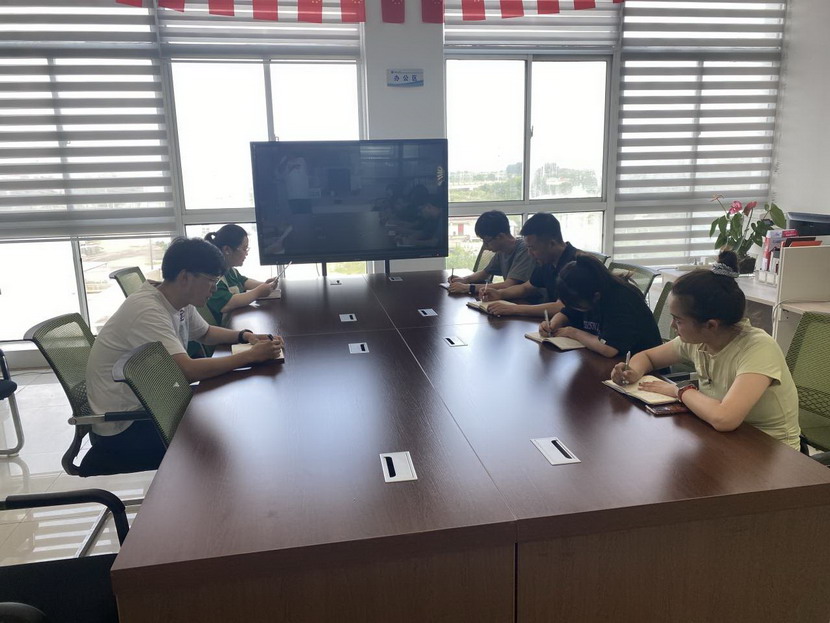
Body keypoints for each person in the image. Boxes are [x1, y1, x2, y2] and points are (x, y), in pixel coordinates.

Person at [85, 237, 284, 471]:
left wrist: (246, 336)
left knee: (236, 418)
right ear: (185, 277)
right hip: (127, 426)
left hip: (155, 402)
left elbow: (206, 333)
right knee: (230, 441)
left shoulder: (177, 299)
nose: (214, 289)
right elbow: (186, 371)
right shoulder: (147, 310)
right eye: (211, 281)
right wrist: (250, 356)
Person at [610, 250, 800, 449]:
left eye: (678, 320)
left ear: (710, 325)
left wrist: (679, 391)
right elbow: (648, 357)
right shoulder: (699, 340)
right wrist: (633, 371)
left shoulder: (758, 349)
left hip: (772, 452)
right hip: (725, 442)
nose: (672, 326)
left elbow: (725, 418)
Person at [538, 254, 662, 357]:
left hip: (642, 369)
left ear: (596, 296)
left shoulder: (621, 300)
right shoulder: (586, 289)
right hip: (607, 363)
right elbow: (568, 312)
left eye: (576, 304)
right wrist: (552, 324)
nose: (574, 307)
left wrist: (572, 332)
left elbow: (609, 349)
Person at [479, 212, 580, 318]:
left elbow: (561, 307)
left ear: (552, 243)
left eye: (533, 248)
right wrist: (500, 294)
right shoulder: (547, 262)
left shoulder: (576, 265)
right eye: (528, 248)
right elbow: (526, 288)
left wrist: (513, 309)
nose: (529, 253)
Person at [204, 224, 279, 326]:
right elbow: (228, 304)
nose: (246, 253)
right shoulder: (214, 278)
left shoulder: (231, 271)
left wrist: (265, 285)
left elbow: (244, 282)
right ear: (227, 250)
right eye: (244, 249)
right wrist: (258, 292)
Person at [447, 210, 535, 296]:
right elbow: (485, 273)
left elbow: (508, 285)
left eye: (487, 242)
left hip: (528, 301)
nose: (485, 247)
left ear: (500, 236)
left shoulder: (525, 250)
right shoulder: (501, 251)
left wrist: (468, 288)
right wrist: (464, 280)